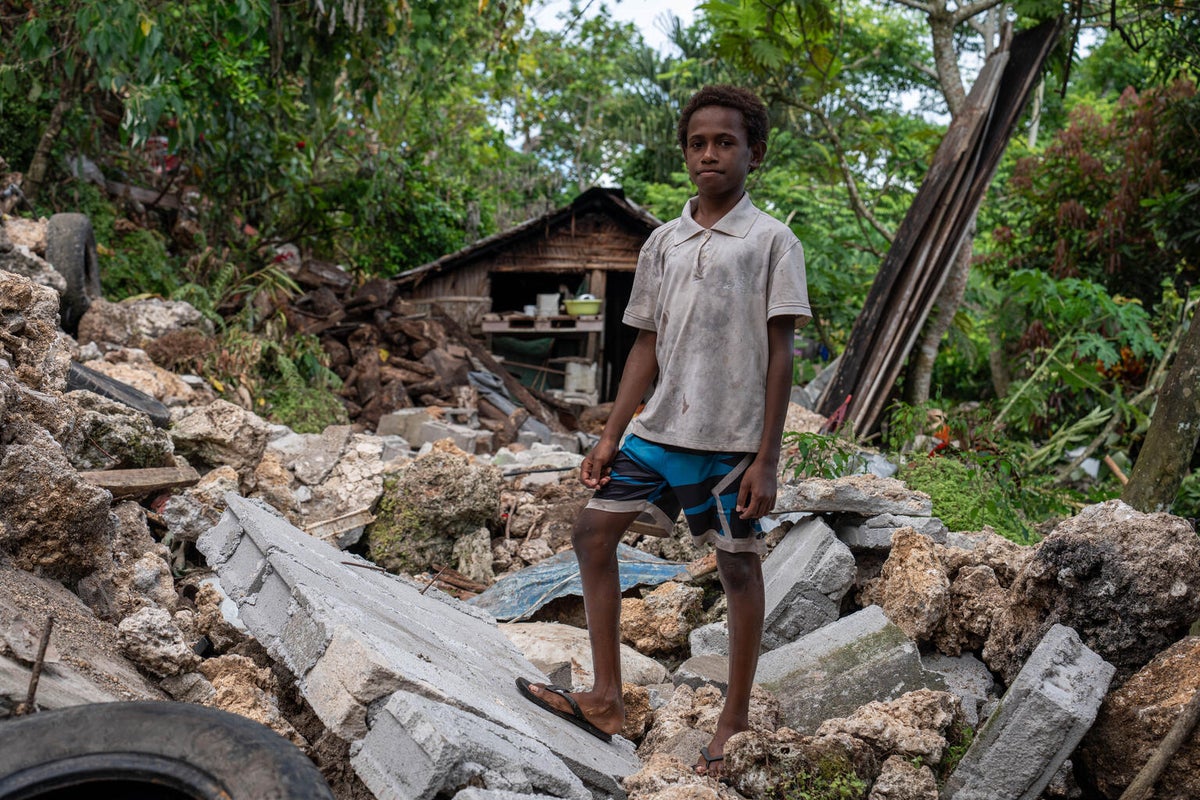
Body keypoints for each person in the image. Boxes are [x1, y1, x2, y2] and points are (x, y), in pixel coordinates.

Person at [517, 84, 810, 780]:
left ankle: (733, 720)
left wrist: (767, 459)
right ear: (685, 153)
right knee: (592, 533)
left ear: (754, 153)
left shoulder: (771, 241)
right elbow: (645, 345)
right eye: (697, 143)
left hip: (731, 441)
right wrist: (611, 433)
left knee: (737, 566)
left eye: (725, 142)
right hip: (658, 430)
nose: (709, 154)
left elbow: (781, 355)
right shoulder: (663, 243)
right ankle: (606, 698)